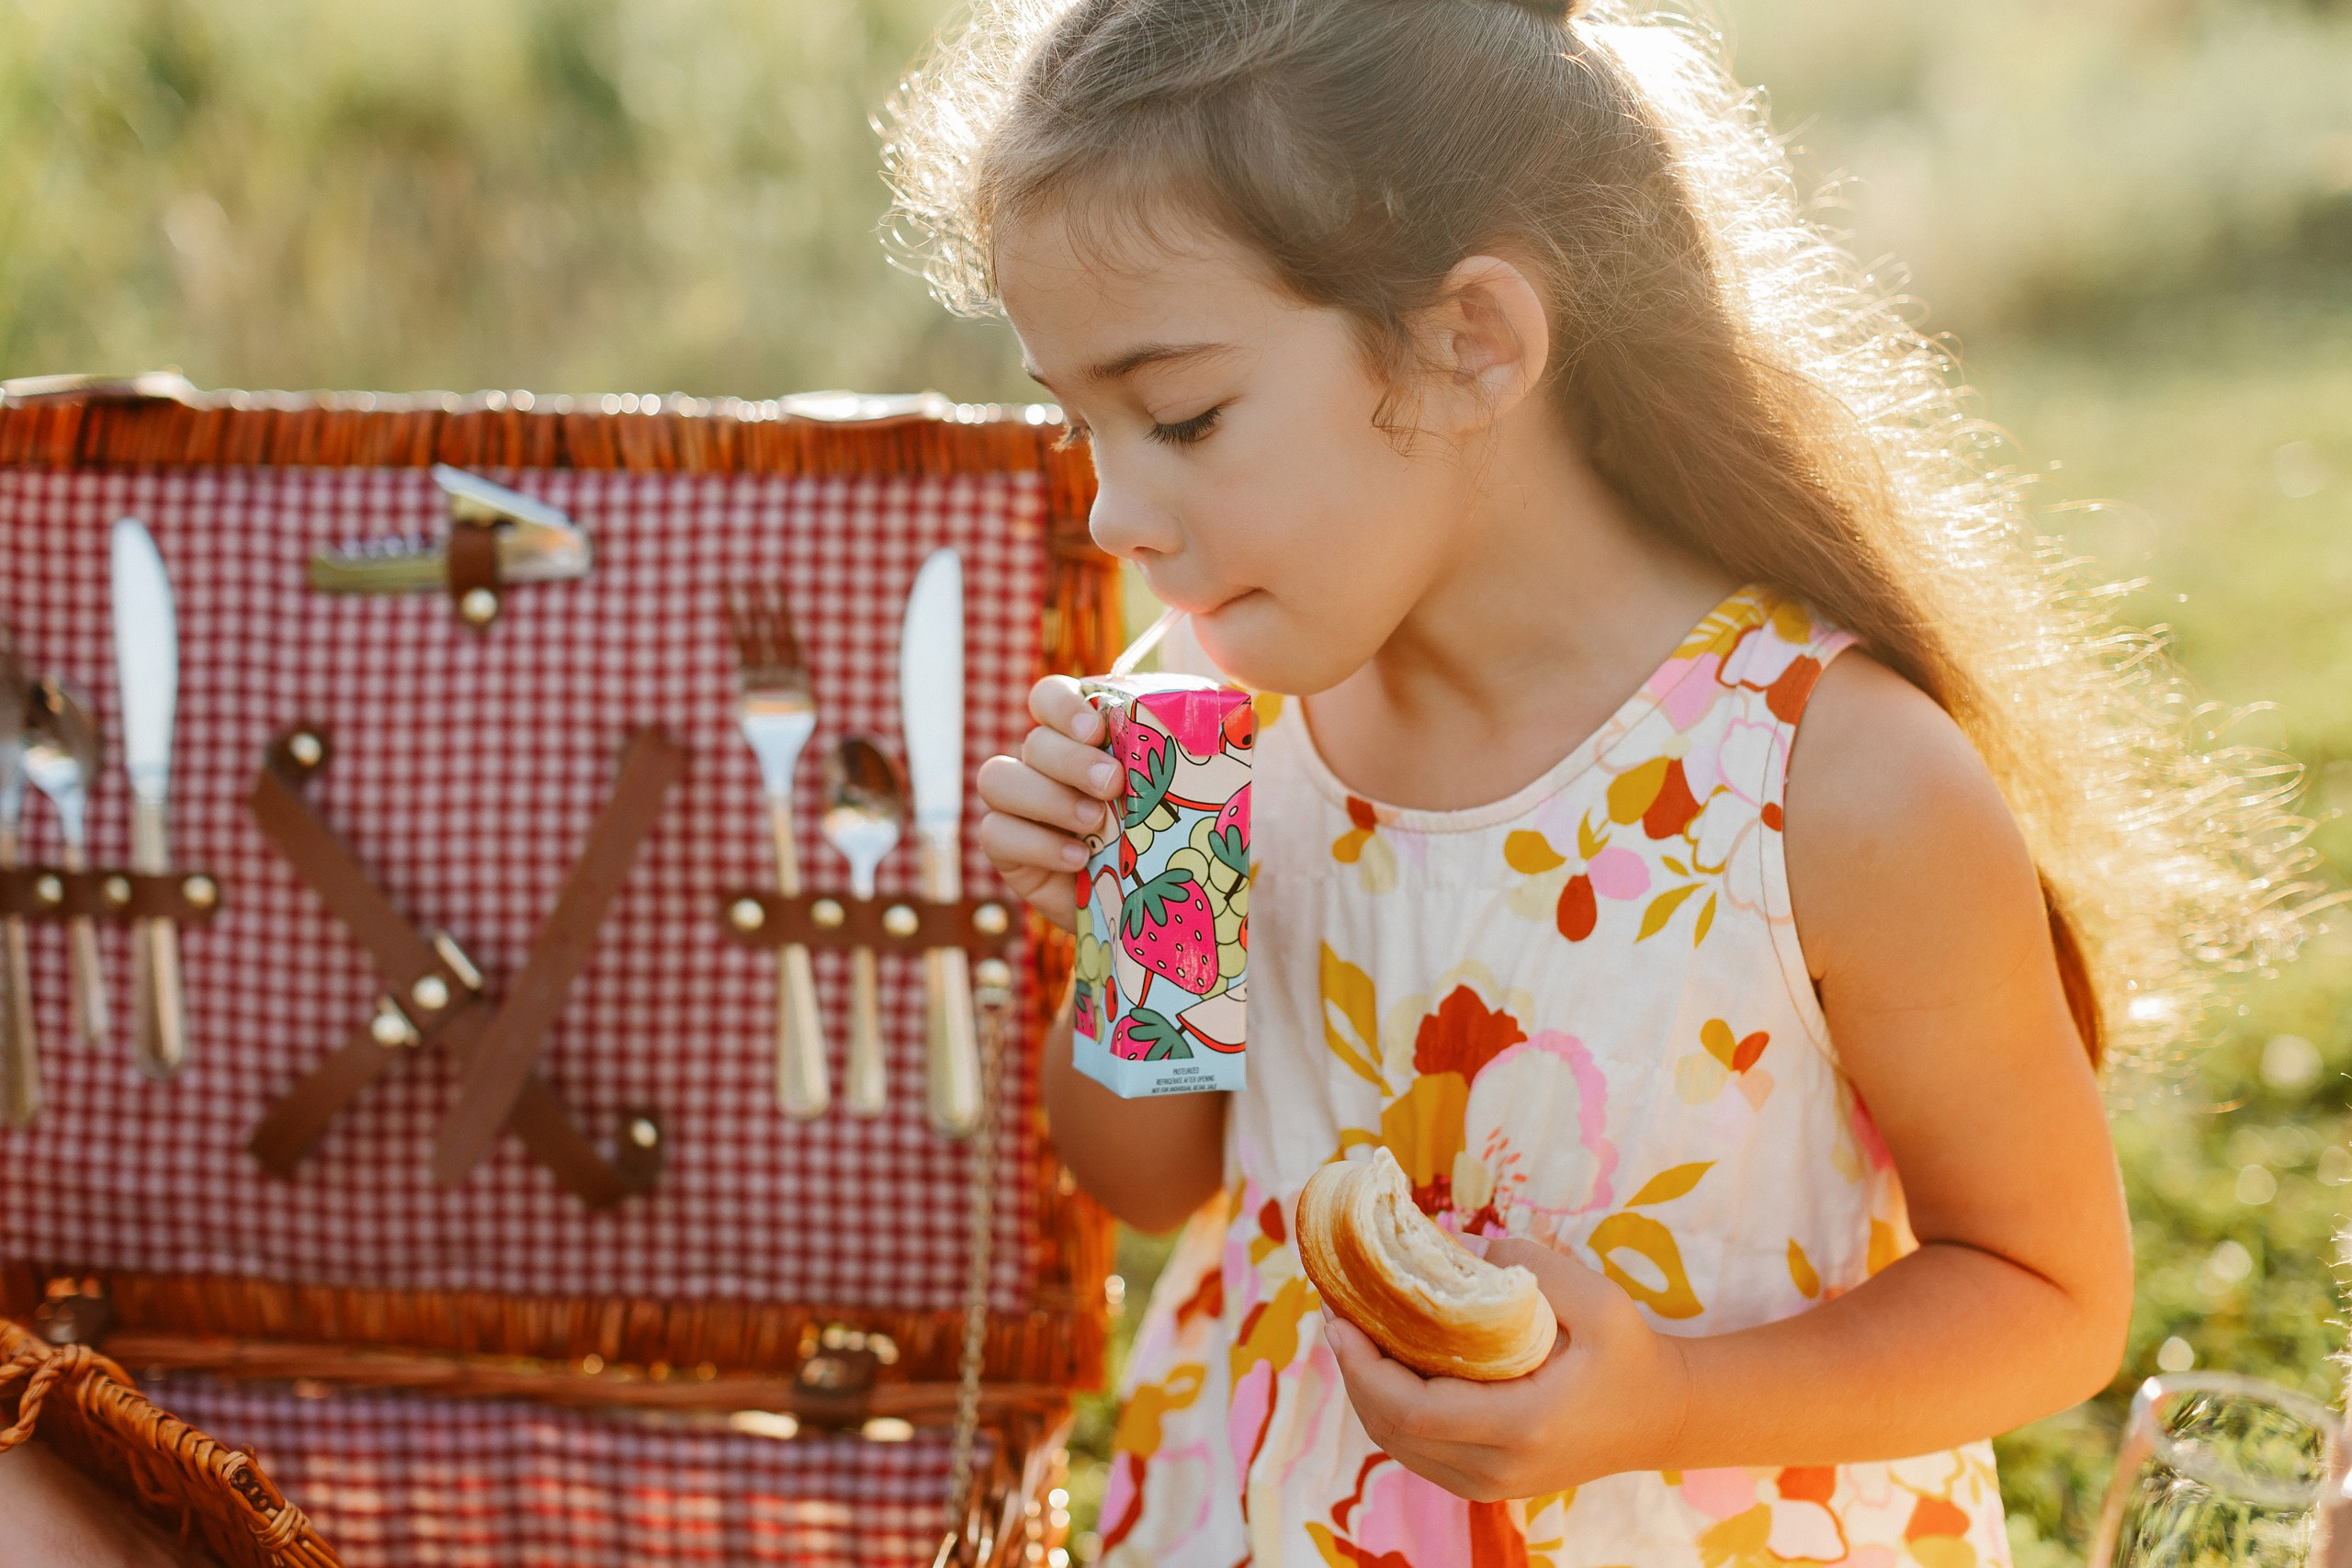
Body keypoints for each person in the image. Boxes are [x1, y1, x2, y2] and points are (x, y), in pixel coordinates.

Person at [884, 0, 2319, 1559]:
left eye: (1180, 417)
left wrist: (1670, 1403)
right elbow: (1149, 1179)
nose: (1111, 515)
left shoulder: (1827, 779)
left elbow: (2052, 1300)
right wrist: (1120, 920)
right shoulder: (1200, 713)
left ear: (1472, 343)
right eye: (1077, 418)